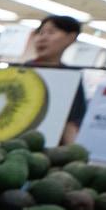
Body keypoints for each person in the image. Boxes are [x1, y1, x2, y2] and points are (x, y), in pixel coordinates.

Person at [26, 14, 86, 145]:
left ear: (71, 38)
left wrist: (73, 153)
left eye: (51, 32)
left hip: (51, 150)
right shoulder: (20, 70)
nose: (42, 38)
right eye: (40, 33)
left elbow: (72, 121)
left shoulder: (71, 77)